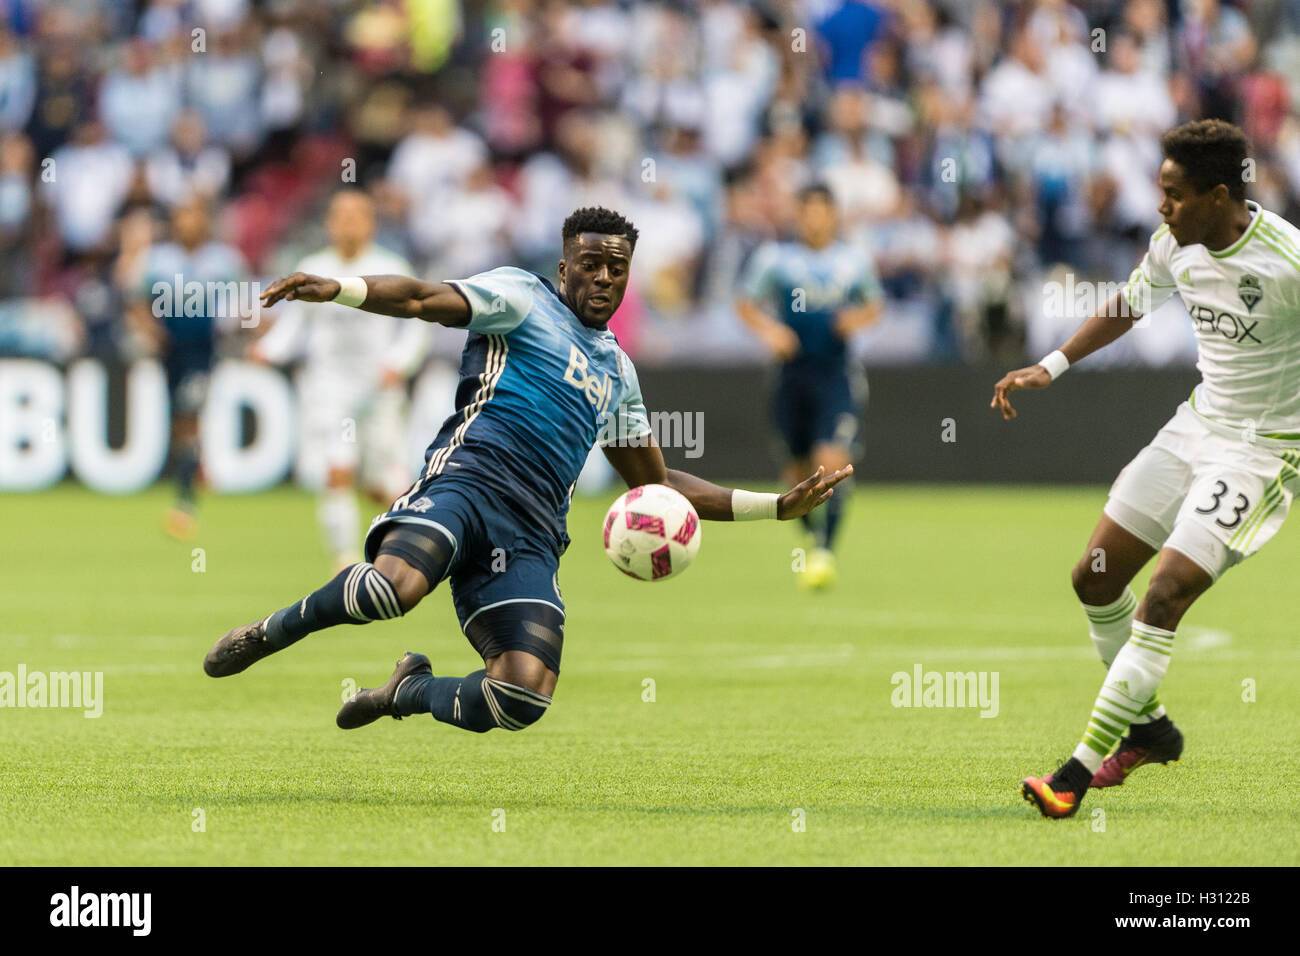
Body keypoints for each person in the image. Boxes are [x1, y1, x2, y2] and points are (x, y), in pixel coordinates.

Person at [204, 206, 851, 737]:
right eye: (590, 265)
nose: (603, 278)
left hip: (533, 536)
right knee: (390, 590)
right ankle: (271, 631)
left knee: (522, 697)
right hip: (467, 484)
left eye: (616, 269)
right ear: (565, 265)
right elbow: (427, 298)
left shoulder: (618, 374)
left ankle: (407, 690)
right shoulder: (519, 297)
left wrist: (775, 507)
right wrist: (343, 290)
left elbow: (654, 486)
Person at [991, 120, 1300, 818]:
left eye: (1174, 194)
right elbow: (1131, 303)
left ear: (1220, 196)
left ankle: (1075, 772)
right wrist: (1052, 364)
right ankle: (1152, 728)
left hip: (1261, 451)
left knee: (1163, 595)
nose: (1160, 207)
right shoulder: (1175, 246)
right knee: (1094, 577)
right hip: (1196, 426)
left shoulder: (1287, 261)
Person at [251, 190, 428, 571]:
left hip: (379, 388)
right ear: (329, 224)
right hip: (328, 387)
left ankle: (414, 549)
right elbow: (296, 324)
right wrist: (269, 349)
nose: (348, 223)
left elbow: (417, 324)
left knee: (384, 483)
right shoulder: (314, 267)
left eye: (356, 216)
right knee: (337, 469)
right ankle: (345, 561)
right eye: (340, 216)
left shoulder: (389, 265)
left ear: (371, 224)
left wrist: (399, 362)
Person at [736, 183, 882, 588]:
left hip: (835, 374)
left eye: (822, 211)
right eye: (808, 211)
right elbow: (745, 302)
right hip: (790, 376)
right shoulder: (776, 260)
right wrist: (770, 332)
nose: (815, 219)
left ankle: (824, 551)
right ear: (798, 215)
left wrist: (853, 321)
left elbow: (874, 304)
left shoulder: (853, 262)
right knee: (796, 474)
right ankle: (812, 538)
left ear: (833, 216)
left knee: (831, 461)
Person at [129, 195, 247, 538]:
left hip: (204, 348)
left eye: (193, 216)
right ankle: (194, 469)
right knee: (178, 416)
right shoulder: (157, 260)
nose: (187, 224)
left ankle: (185, 499)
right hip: (172, 348)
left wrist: (240, 327)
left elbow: (245, 302)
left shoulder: (224, 261)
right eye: (182, 216)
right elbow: (138, 302)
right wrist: (150, 330)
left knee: (189, 412)